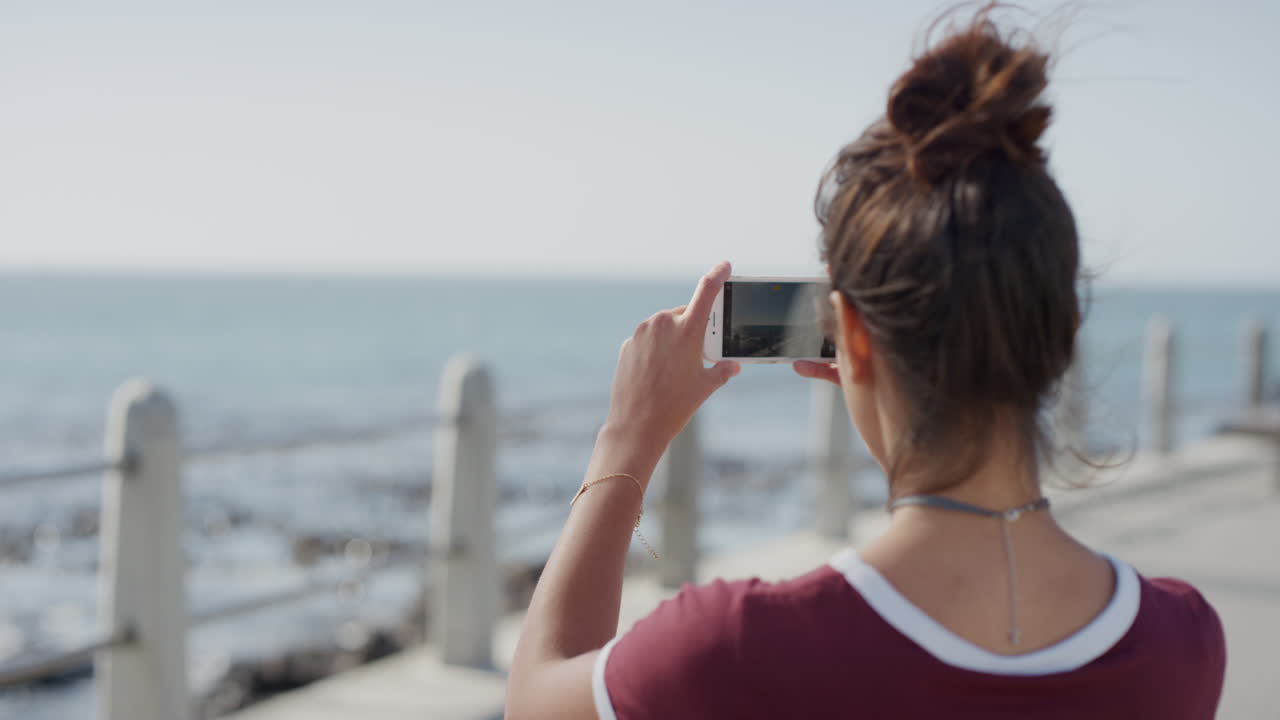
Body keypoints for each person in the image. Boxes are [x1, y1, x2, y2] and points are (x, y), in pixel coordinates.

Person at [506, 7, 1226, 719]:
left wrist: (627, 439)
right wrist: (893, 403)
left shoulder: (733, 650)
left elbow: (536, 699)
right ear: (1065, 331)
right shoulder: (1182, 642)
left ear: (848, 334)